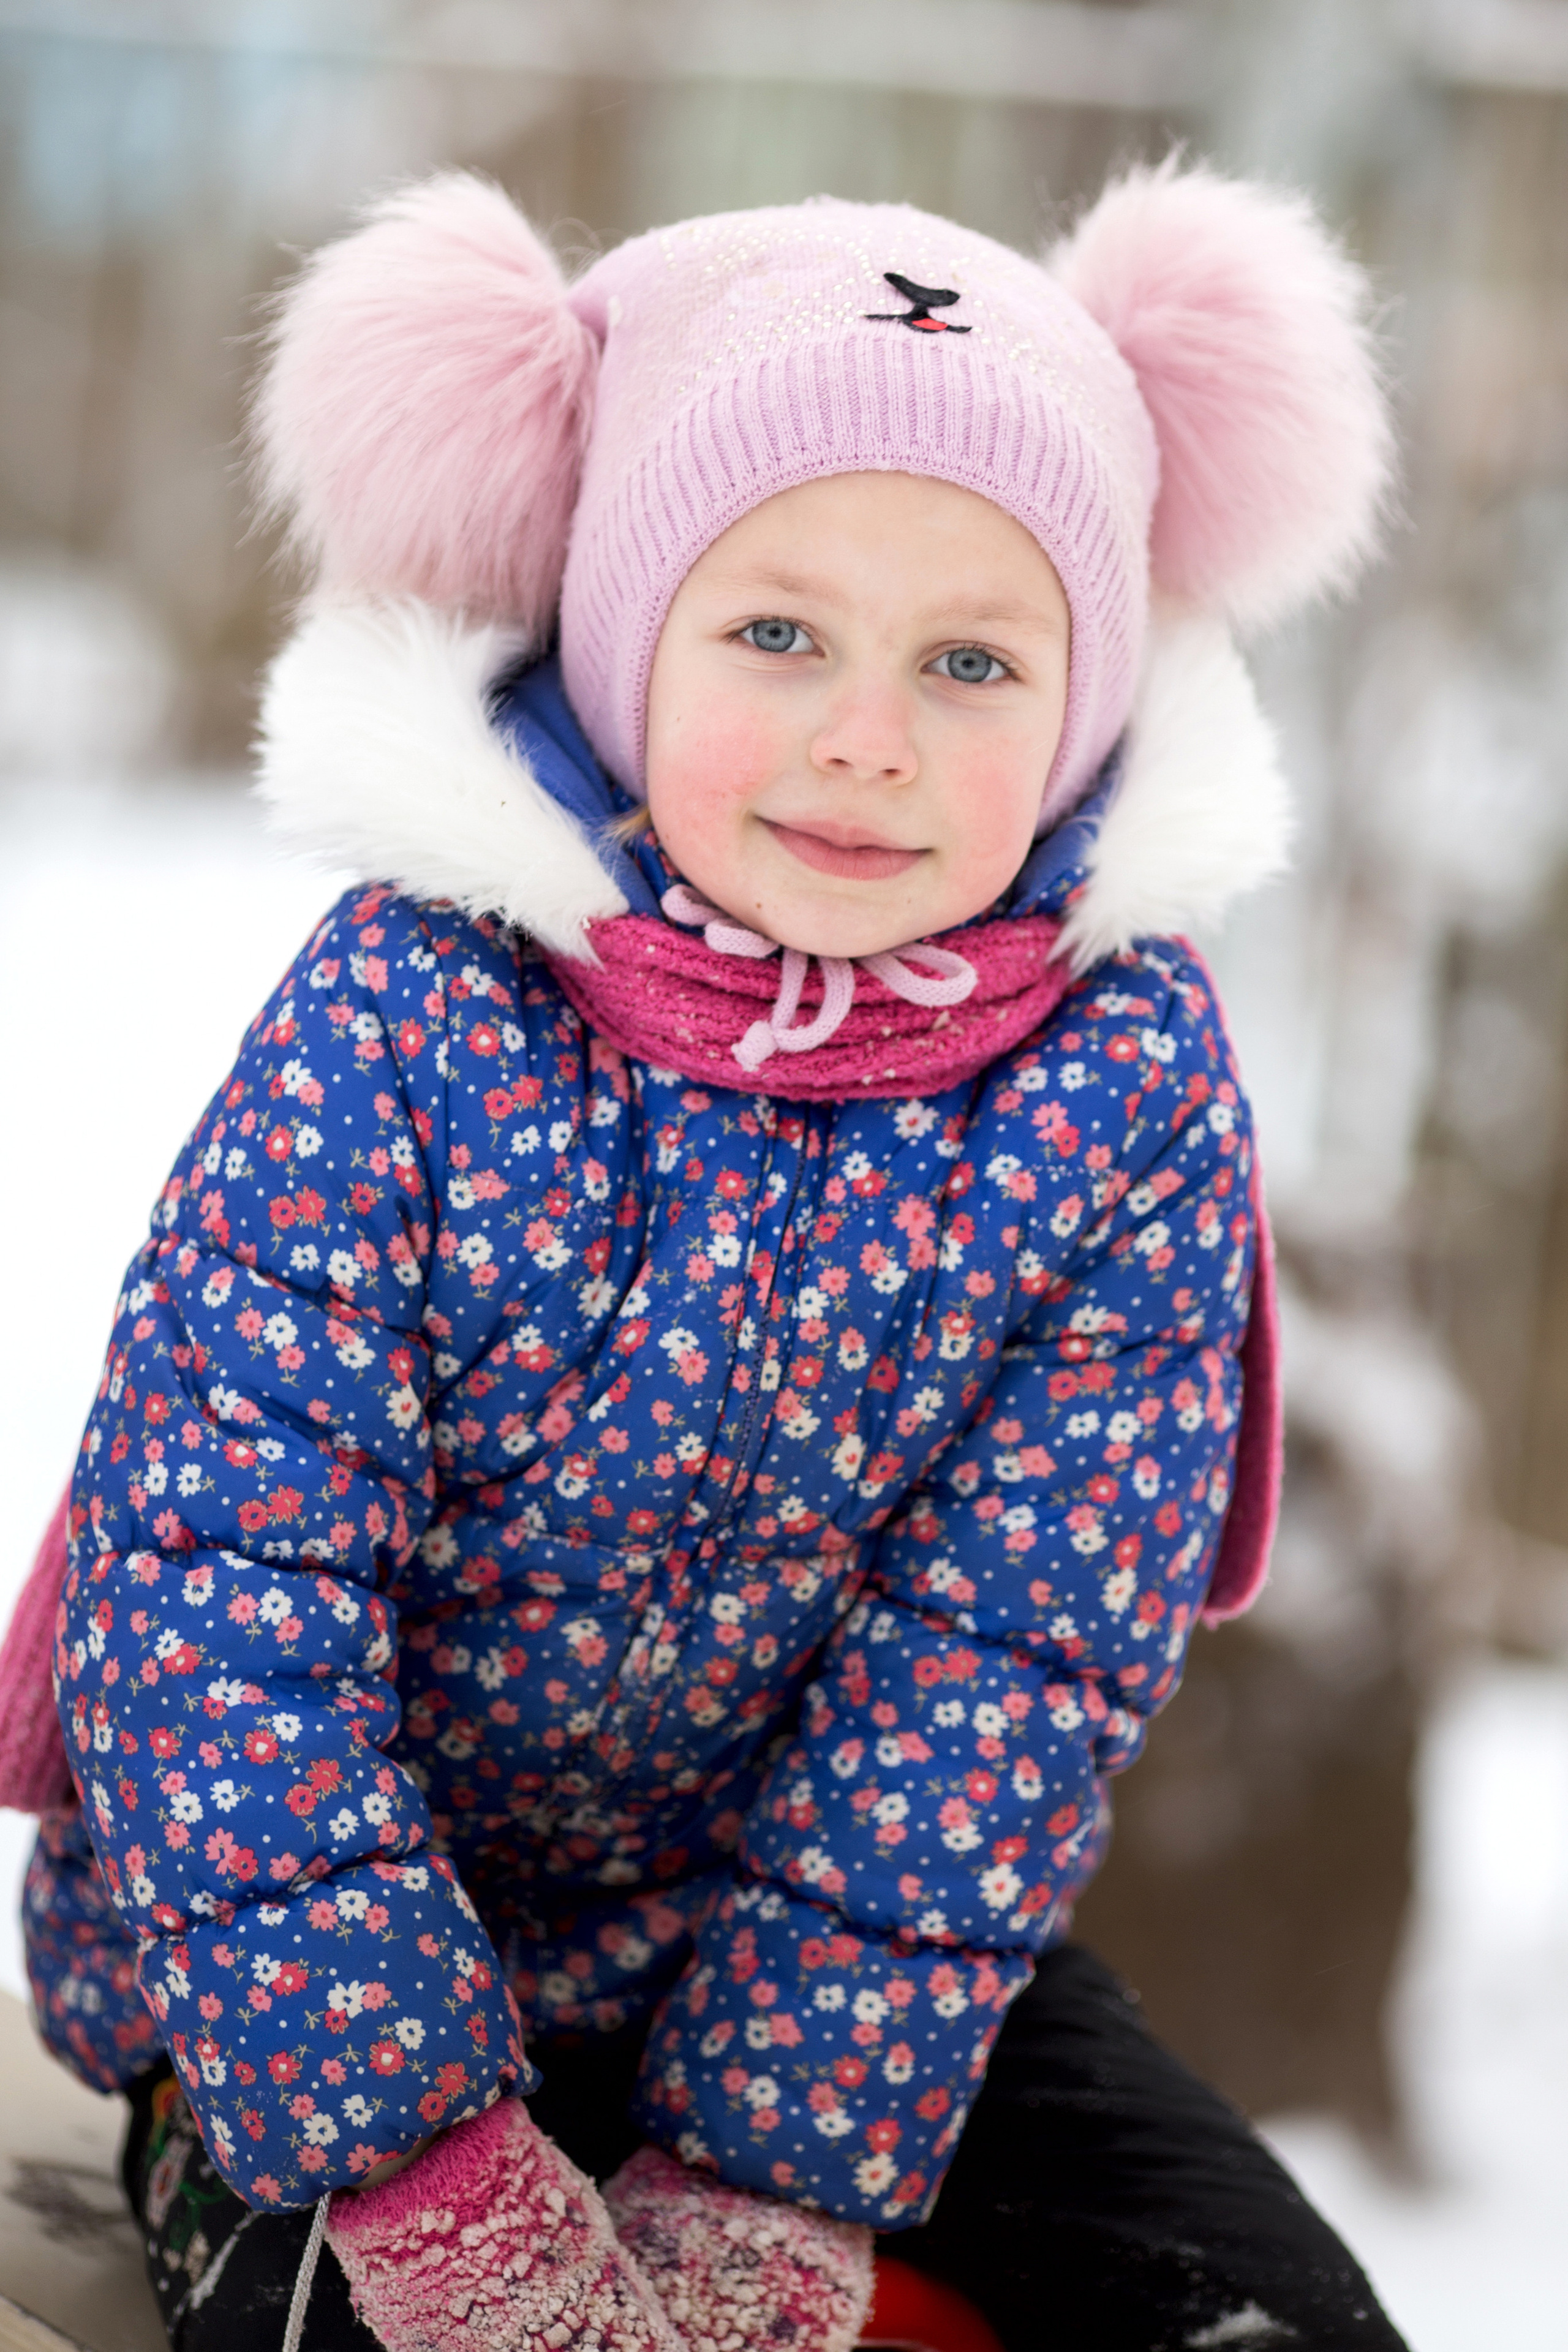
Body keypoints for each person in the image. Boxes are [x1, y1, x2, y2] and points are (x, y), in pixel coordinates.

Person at [9, 164, 1409, 2350]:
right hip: (313, 1981)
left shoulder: (1120, 1091)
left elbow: (1005, 1667)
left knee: (1256, 2320)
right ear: (617, 632)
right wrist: (421, 2168)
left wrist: (772, 2159)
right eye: (778, 631)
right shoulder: (419, 1015)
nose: (871, 734)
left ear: (1089, 709)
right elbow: (217, 1603)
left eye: (972, 660)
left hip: (820, 1964)